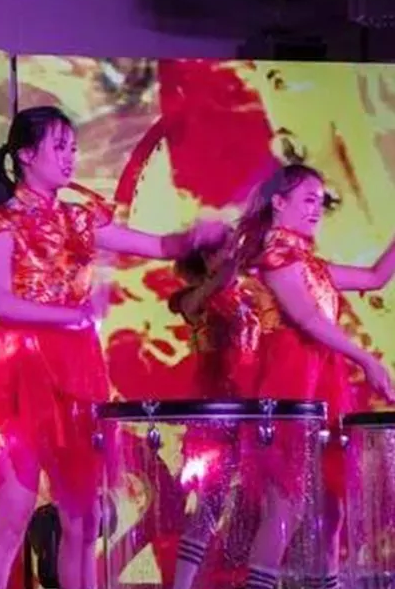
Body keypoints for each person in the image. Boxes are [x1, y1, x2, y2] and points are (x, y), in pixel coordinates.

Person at [0, 105, 229, 589]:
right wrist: (72, 316)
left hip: (74, 367)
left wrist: (192, 238)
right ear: (26, 155)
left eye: (73, 148)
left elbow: (158, 247)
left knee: (84, 516)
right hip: (18, 367)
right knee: (13, 510)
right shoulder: (1, 222)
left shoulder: (79, 219)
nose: (70, 157)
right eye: (59, 147)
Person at [204, 163, 395, 589]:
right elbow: (307, 317)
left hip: (323, 383)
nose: (316, 209)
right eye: (308, 199)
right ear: (279, 202)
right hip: (290, 383)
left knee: (331, 507)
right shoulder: (274, 255)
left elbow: (375, 278)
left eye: (320, 202)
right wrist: (366, 359)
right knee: (285, 504)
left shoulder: (309, 263)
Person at [167, 242, 265, 588]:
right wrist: (223, 274)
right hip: (215, 408)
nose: (231, 254)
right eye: (221, 250)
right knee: (211, 500)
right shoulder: (194, 299)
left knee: (263, 500)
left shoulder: (252, 295)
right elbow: (203, 297)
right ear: (206, 258)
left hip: (253, 405)